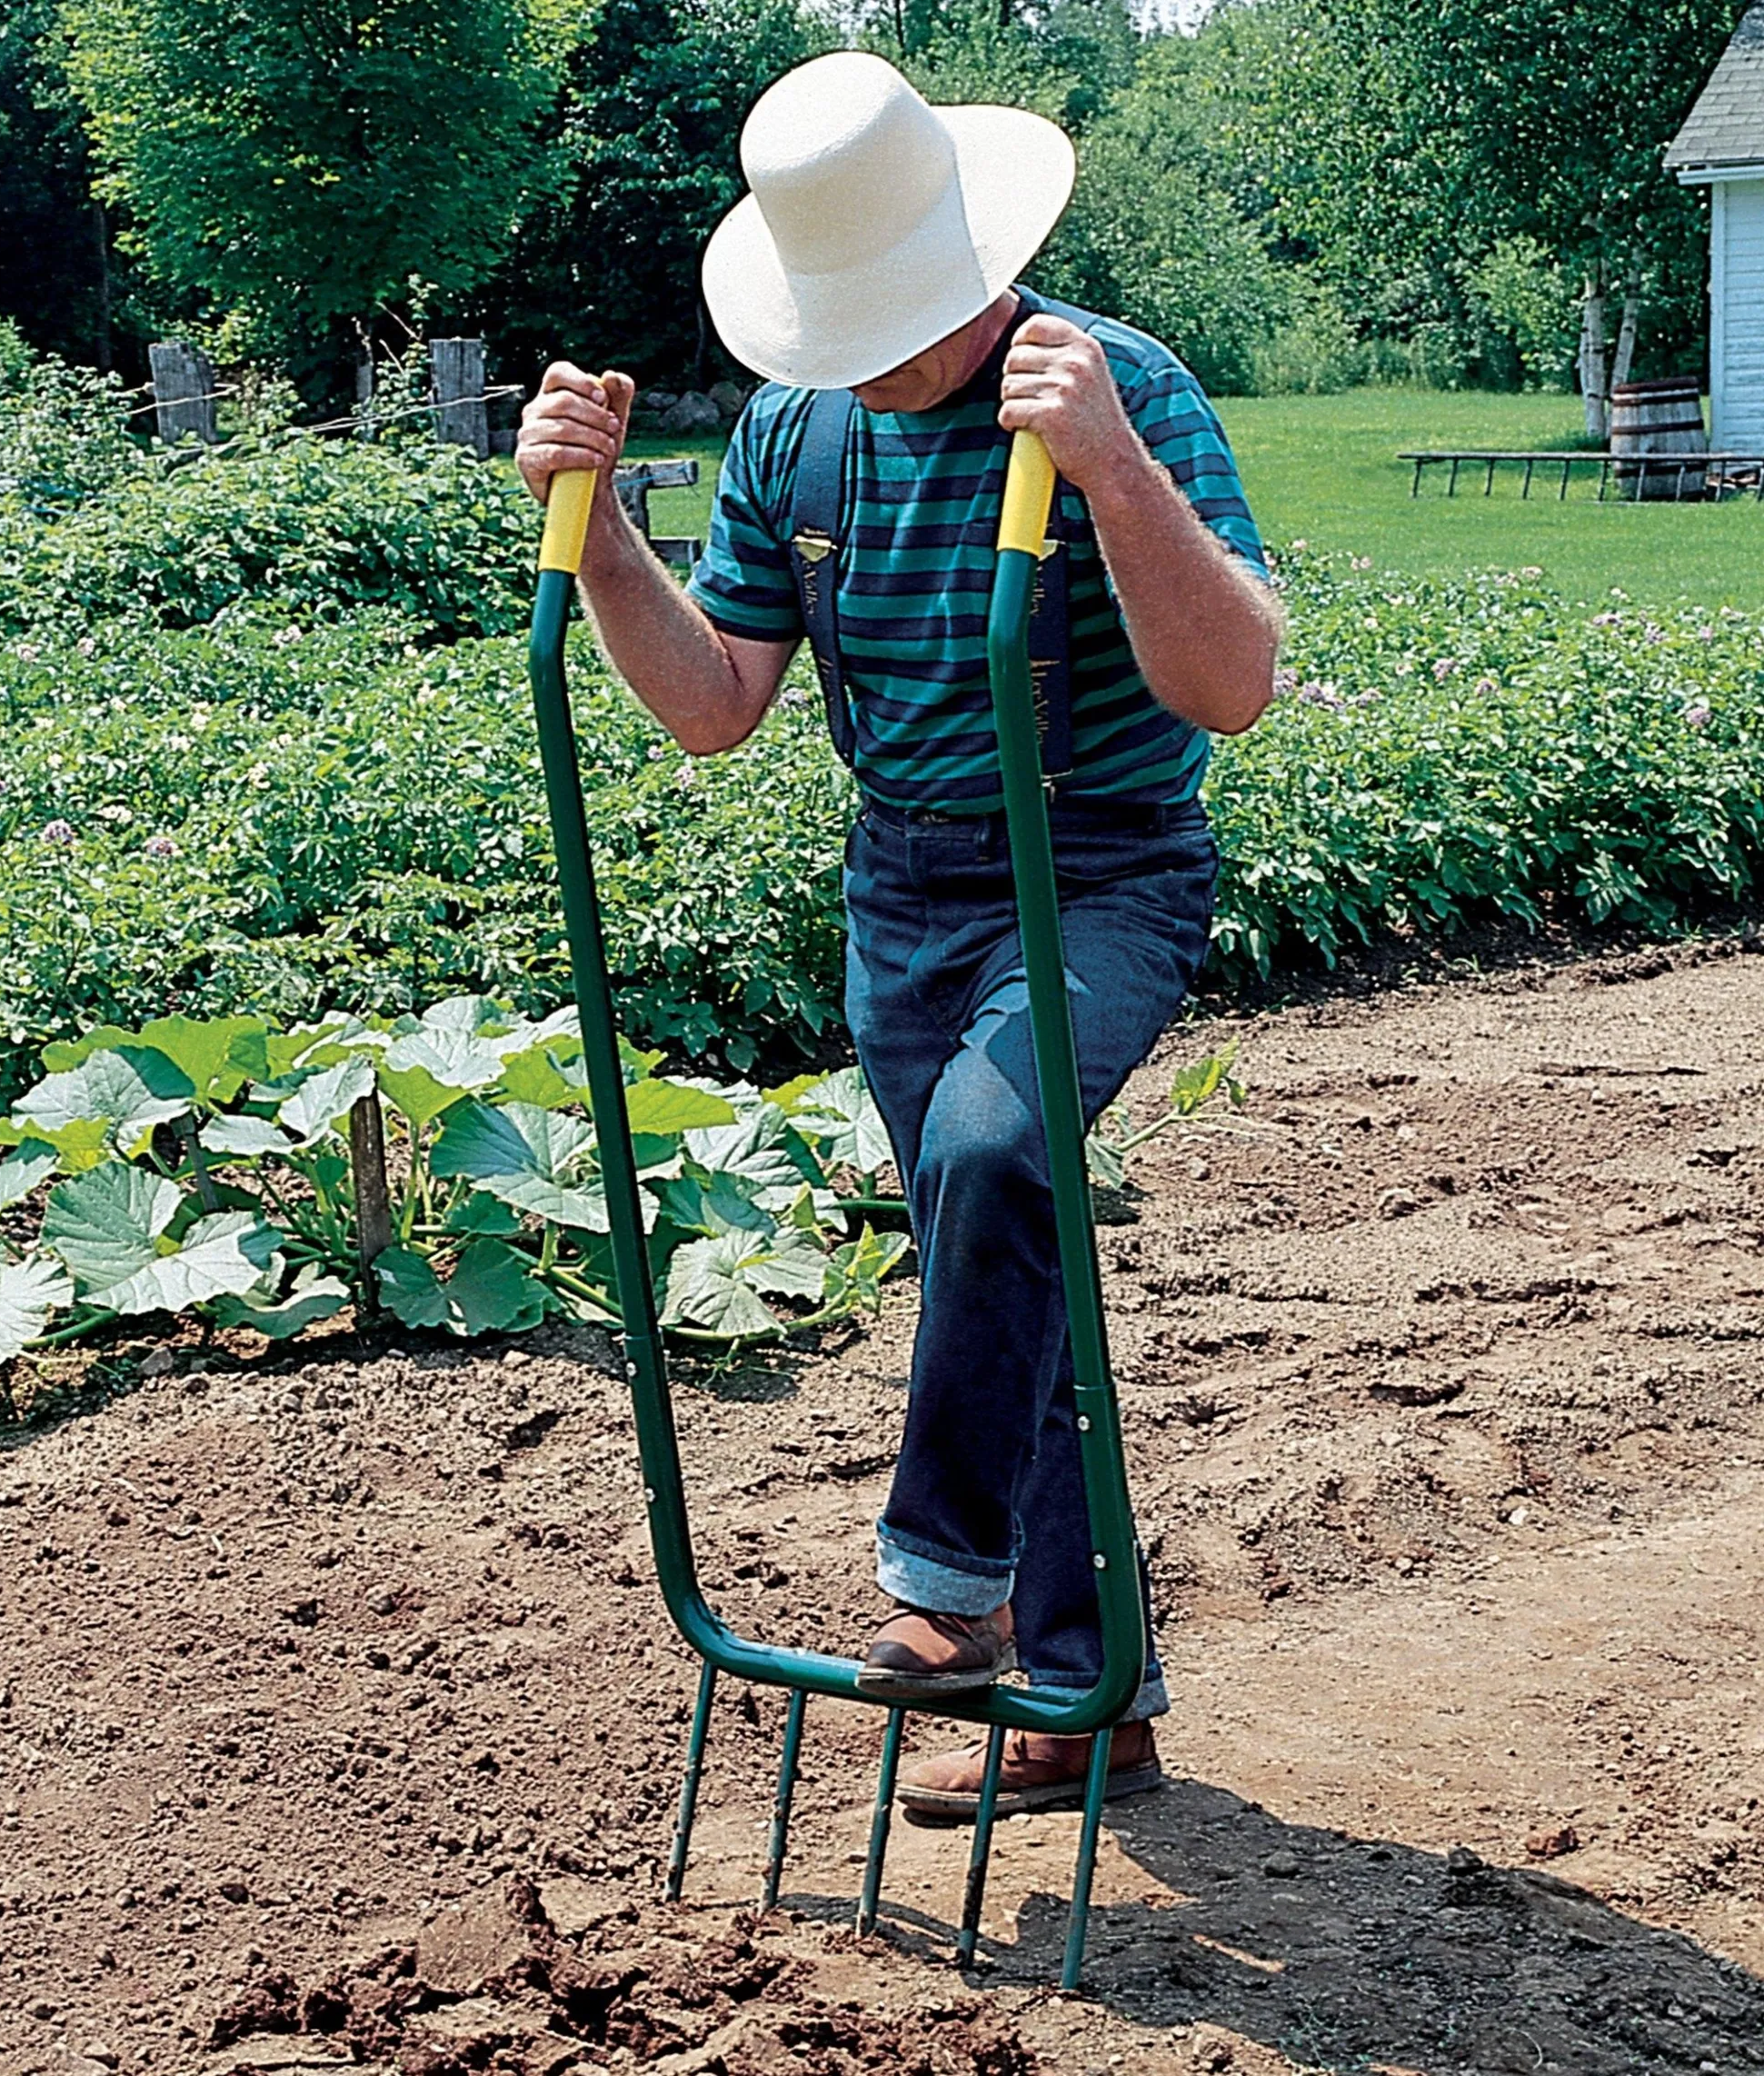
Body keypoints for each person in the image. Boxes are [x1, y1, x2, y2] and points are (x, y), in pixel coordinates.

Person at [515, 50, 1280, 1824]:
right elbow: (709, 704)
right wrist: (608, 521)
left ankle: (947, 1590)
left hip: (1097, 862)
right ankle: (1099, 1702)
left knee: (996, 1153)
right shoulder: (794, 428)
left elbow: (1228, 684)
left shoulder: (1114, 388)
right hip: (902, 892)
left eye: (895, 312)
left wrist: (1103, 473)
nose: (870, 351)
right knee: (994, 1256)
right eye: (839, 318)